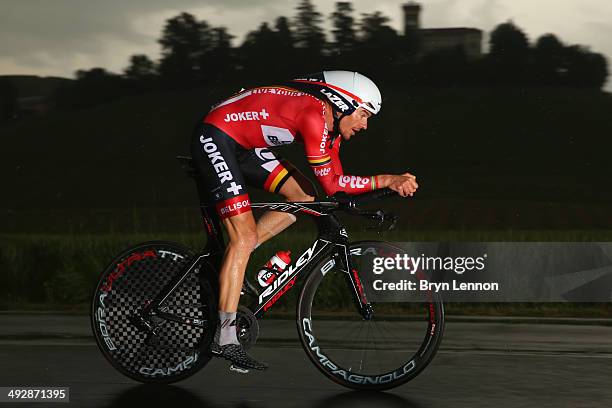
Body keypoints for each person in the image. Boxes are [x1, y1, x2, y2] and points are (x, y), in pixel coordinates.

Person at [190, 71, 418, 372]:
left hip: (245, 146)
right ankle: (226, 336)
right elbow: (334, 185)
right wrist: (388, 179)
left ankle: (238, 255)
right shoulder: (314, 115)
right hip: (216, 137)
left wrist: (379, 188)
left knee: (304, 197)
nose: (365, 124)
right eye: (363, 114)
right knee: (242, 237)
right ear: (343, 102)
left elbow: (337, 184)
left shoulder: (330, 128)